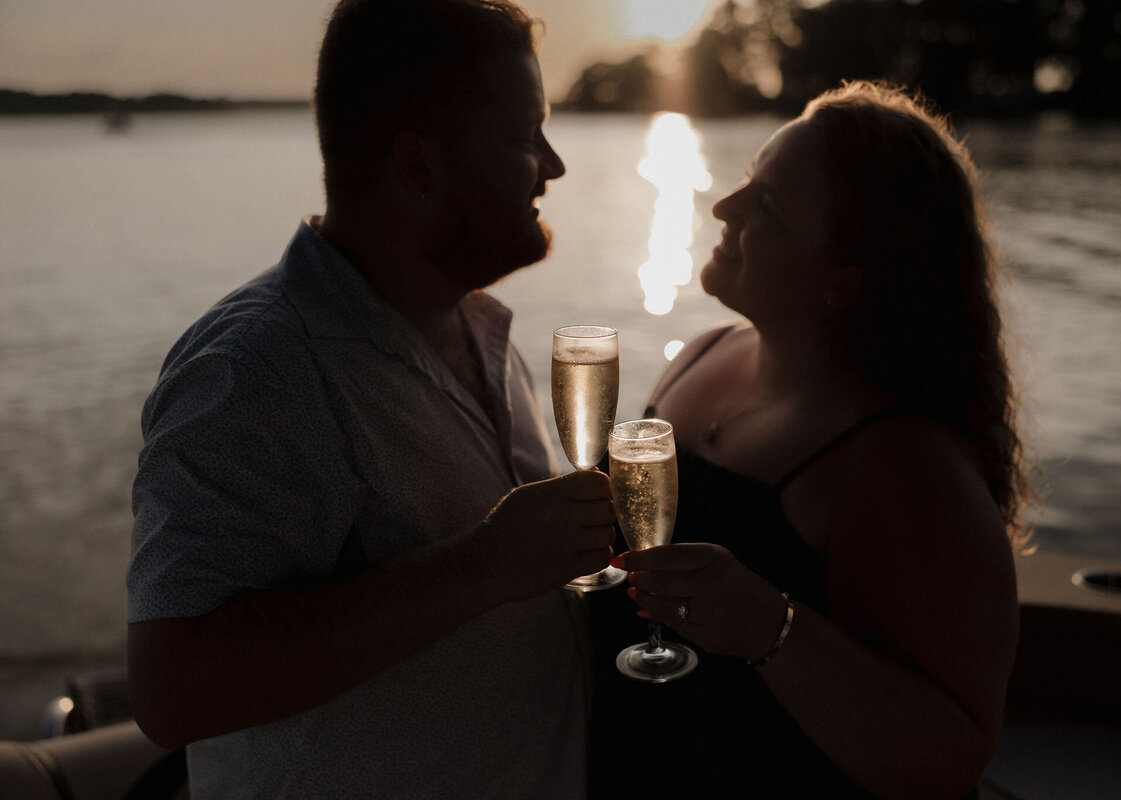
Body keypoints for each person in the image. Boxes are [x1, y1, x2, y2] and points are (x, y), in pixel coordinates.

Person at [126, 1, 616, 797]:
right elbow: (172, 690)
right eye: (526, 138)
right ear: (419, 169)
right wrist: (484, 566)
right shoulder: (259, 369)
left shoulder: (474, 323)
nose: (553, 167)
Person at [588, 81, 1034, 799]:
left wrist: (771, 626)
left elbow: (950, 758)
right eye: (745, 183)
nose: (724, 207)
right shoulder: (702, 354)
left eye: (767, 207)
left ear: (842, 283)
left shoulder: (902, 462)